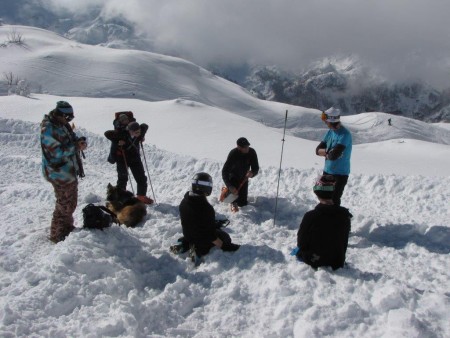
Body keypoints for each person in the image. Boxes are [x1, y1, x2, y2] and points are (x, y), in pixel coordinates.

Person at [40, 101, 88, 243]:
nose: (69, 121)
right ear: (59, 114)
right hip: (58, 173)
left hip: (68, 171)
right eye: (67, 118)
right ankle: (56, 235)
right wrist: (75, 147)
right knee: (64, 205)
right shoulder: (48, 129)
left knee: (70, 203)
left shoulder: (62, 124)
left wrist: (78, 141)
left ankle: (66, 228)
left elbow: (70, 139)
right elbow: (56, 152)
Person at [175, 172, 240, 263]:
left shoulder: (185, 200)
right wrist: (225, 246)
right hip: (201, 241)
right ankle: (195, 252)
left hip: (188, 235)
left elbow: (195, 218)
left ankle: (184, 244)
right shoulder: (206, 209)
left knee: (196, 234)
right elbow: (211, 236)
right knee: (225, 236)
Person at [293, 175, 352, 270]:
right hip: (337, 261)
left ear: (317, 192)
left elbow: (301, 243)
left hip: (315, 260)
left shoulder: (311, 216)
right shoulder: (345, 215)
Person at [104, 121, 154, 204]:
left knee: (141, 177)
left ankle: (141, 196)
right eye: (136, 132)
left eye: (139, 131)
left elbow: (145, 126)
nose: (138, 133)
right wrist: (118, 142)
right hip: (122, 159)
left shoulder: (140, 133)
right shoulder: (122, 134)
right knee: (122, 179)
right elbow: (107, 134)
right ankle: (120, 198)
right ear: (130, 131)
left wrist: (142, 136)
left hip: (135, 158)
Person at [316, 107, 352, 206]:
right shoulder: (330, 132)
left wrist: (326, 153)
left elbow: (333, 155)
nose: (325, 122)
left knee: (334, 199)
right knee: (324, 198)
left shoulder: (344, 135)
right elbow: (317, 150)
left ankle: (335, 220)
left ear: (331, 120)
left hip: (339, 174)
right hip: (327, 171)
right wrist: (328, 152)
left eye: (325, 120)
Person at [222, 137, 259, 212]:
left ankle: (233, 196)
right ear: (238, 147)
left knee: (242, 203)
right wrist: (230, 186)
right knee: (233, 198)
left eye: (247, 146)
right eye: (244, 147)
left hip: (244, 178)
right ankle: (228, 193)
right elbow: (224, 171)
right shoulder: (233, 154)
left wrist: (252, 173)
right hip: (233, 177)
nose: (247, 148)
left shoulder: (252, 152)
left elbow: (256, 168)